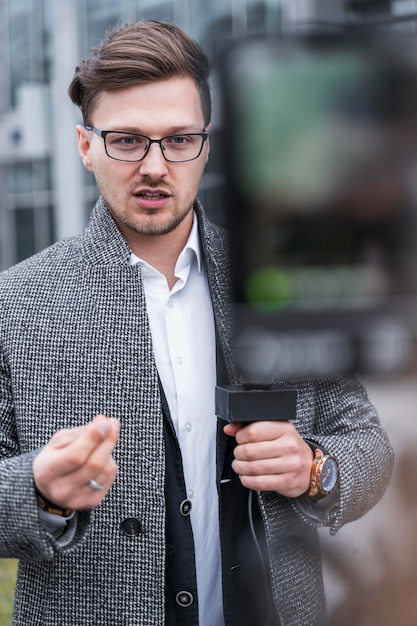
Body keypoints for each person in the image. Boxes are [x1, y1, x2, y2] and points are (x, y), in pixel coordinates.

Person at [0, 19, 394, 626]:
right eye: (127, 140)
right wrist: (40, 490)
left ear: (205, 144)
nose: (155, 166)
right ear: (85, 146)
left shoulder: (275, 287)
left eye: (178, 139)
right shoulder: (17, 304)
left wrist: (313, 468)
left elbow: (368, 446)